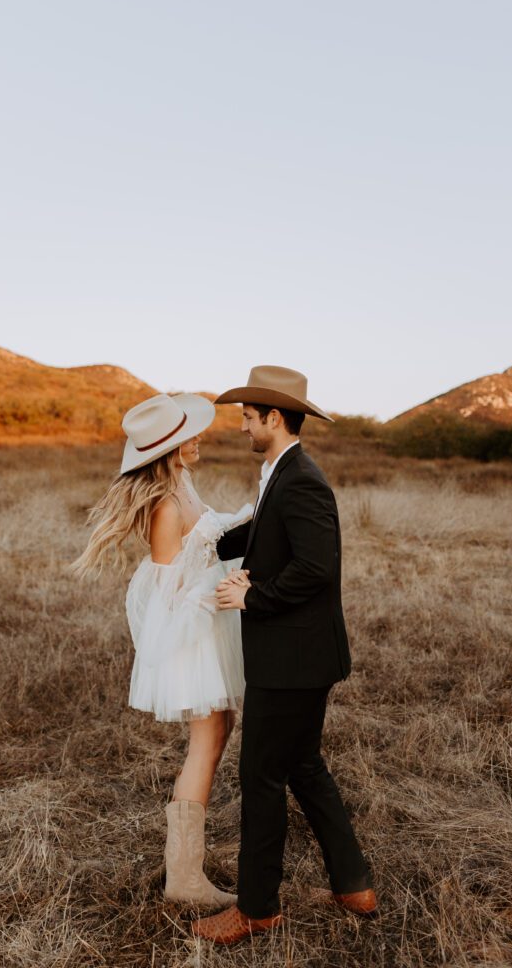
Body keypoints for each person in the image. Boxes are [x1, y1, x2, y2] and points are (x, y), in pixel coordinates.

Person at [191, 366, 376, 945]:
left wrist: (253, 596)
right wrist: (211, 544)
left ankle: (256, 909)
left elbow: (316, 568)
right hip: (299, 655)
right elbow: (268, 533)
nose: (242, 426)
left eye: (248, 417)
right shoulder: (280, 474)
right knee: (303, 766)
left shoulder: (303, 480)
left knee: (261, 775)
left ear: (274, 417)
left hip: (292, 660)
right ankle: (353, 884)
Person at [73, 392, 252, 908]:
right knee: (209, 736)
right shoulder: (166, 507)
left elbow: (211, 542)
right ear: (171, 447)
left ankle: (186, 864)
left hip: (209, 627)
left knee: (220, 728)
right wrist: (213, 591)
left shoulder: (185, 485)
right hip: (188, 636)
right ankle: (185, 878)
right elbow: (168, 593)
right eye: (190, 435)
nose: (199, 439)